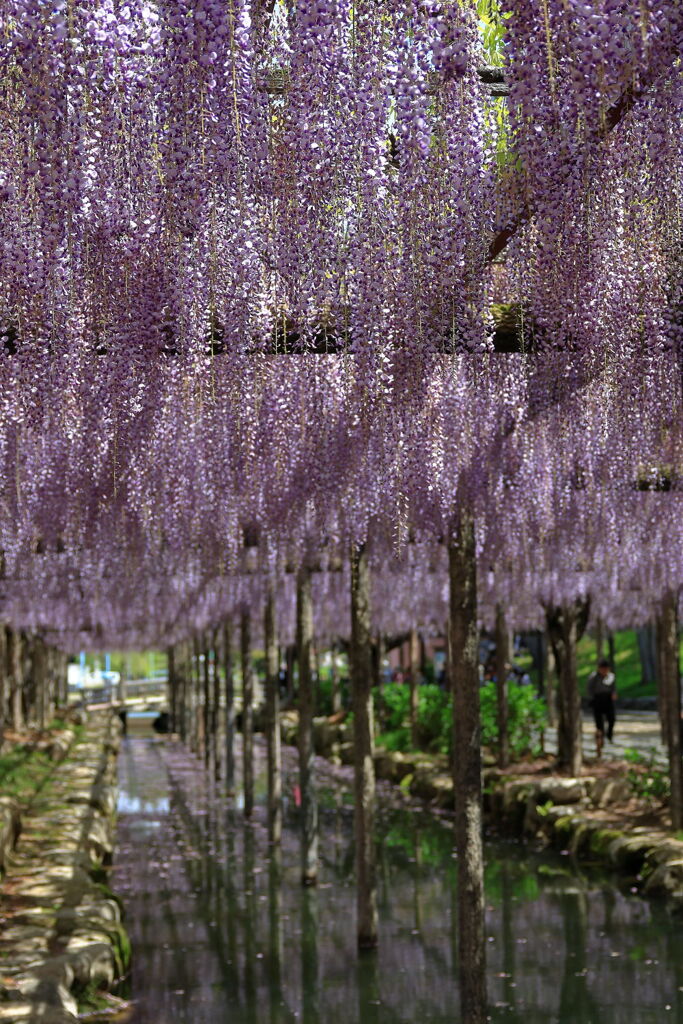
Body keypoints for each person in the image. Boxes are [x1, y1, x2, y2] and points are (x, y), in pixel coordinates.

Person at [586, 658, 617, 758]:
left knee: (612, 719)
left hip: (608, 700)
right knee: (599, 722)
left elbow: (613, 688)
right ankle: (600, 740)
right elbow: (589, 689)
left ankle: (609, 736)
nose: (604, 671)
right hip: (597, 700)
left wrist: (614, 694)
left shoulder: (611, 677)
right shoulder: (593, 677)